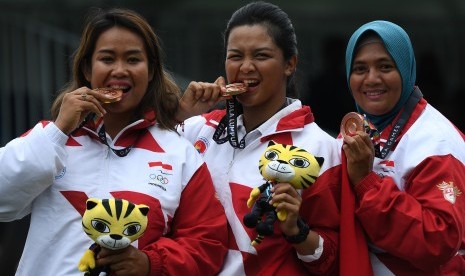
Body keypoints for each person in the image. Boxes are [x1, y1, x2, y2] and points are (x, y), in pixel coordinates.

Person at [0, 8, 228, 276]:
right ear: (87, 69)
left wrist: (149, 263)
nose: (119, 71)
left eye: (133, 60)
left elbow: (207, 245)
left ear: (151, 70)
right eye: (107, 59)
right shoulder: (50, 138)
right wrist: (60, 129)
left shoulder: (179, 153)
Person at [176, 2, 341, 275]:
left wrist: (297, 231)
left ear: (290, 64)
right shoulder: (195, 128)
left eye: (261, 56)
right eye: (235, 56)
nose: (246, 67)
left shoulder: (322, 148)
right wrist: (179, 115)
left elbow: (334, 258)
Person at [340, 20, 465, 275]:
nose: (371, 79)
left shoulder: (437, 142)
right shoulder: (358, 130)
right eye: (360, 68)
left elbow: (438, 240)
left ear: (406, 70)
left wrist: (367, 183)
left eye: (385, 66)